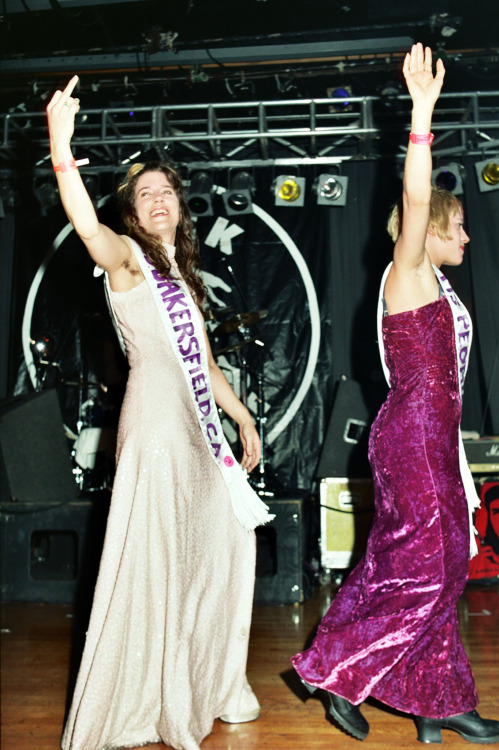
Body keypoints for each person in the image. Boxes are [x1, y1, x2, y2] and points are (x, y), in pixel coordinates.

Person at [47, 75, 274, 750]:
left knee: (226, 539)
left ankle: (212, 683)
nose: (157, 200)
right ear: (133, 212)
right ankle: (153, 693)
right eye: (144, 194)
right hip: (154, 425)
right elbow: (87, 229)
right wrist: (61, 147)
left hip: (195, 424)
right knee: (157, 556)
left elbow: (202, 365)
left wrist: (243, 417)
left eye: (166, 191)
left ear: (180, 206)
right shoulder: (125, 261)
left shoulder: (179, 276)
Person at [291, 43, 499, 744]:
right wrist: (421, 112)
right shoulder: (406, 267)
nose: (468, 235)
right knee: (427, 570)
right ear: (432, 228)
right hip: (411, 435)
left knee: (425, 565)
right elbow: (414, 193)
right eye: (459, 224)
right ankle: (334, 668)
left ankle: (438, 697)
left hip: (426, 435)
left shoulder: (433, 285)